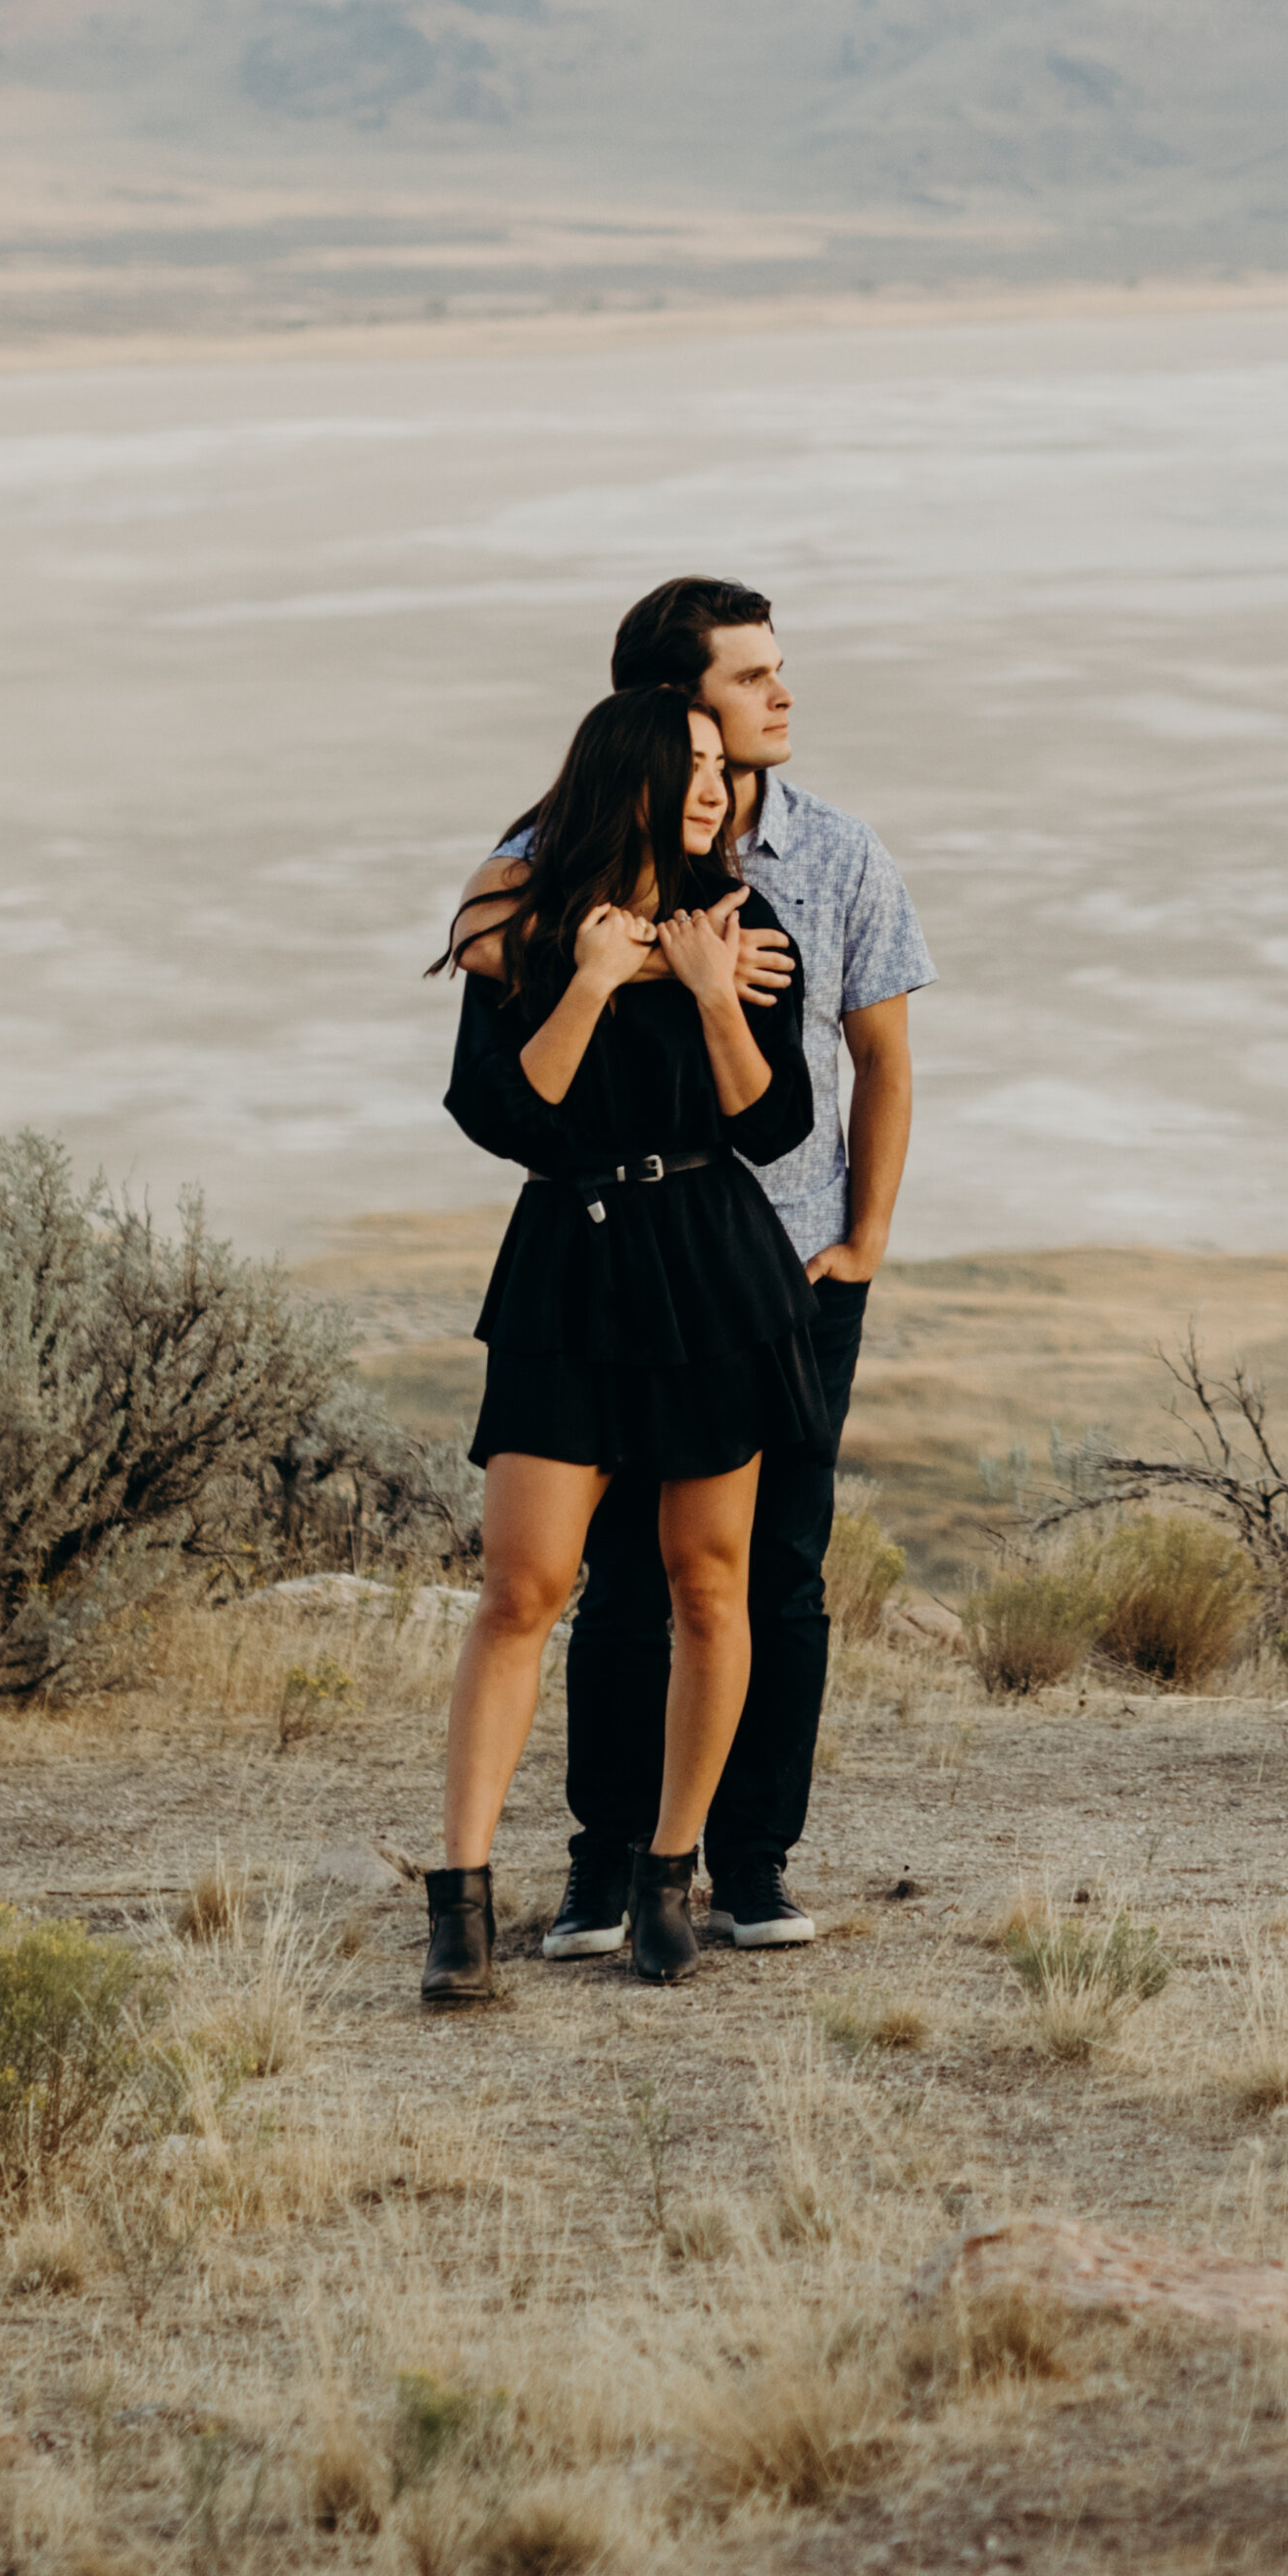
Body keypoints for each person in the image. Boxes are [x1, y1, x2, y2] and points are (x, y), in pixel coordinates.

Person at [445, 577, 932, 1956]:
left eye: (779, 674)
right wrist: (608, 960)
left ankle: (749, 1863)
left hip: (775, 1268)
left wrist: (866, 1236)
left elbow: (870, 1060)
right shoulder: (540, 866)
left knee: (769, 1573)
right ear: (670, 706)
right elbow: (503, 1066)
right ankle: (607, 1865)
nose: (780, 698)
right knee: (606, 1584)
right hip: (603, 1267)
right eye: (749, 679)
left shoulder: (830, 860)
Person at [426, 685, 816, 1996]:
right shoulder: (532, 931)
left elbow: (775, 1127)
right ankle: (461, 1904)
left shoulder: (743, 929)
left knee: (711, 1582)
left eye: (722, 765)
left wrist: (708, 993)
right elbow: (507, 1113)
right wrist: (596, 976)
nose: (715, 784)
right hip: (568, 1267)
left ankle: (668, 1877)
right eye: (691, 763)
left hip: (711, 1261)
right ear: (630, 774)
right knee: (523, 1586)